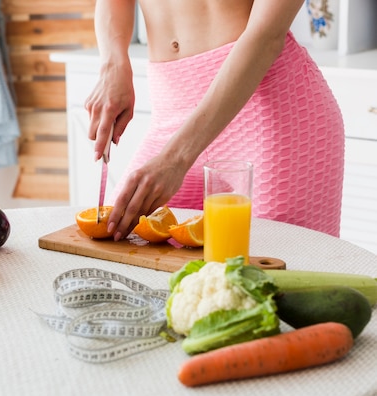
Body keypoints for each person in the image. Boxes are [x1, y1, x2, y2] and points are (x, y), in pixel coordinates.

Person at [84, 0, 344, 242]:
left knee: (274, 277)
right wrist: (112, 63)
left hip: (270, 121)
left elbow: (266, 37)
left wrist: (176, 158)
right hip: (170, 112)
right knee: (120, 240)